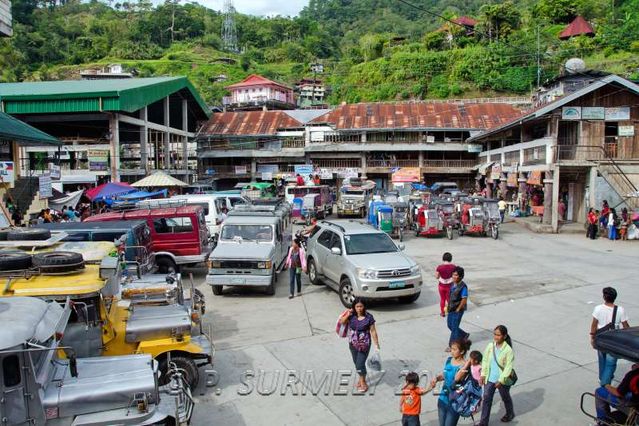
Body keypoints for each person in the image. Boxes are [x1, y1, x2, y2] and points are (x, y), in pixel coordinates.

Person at [590, 287, 630, 386]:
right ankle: (605, 383)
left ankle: (602, 380)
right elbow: (626, 326)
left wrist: (592, 337)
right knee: (610, 363)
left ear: (604, 297)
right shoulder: (620, 310)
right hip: (614, 340)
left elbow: (594, 324)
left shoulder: (598, 308)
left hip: (601, 338)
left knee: (602, 360)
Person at [339, 298, 380, 392]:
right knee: (356, 363)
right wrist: (348, 314)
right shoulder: (351, 315)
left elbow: (373, 331)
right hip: (352, 343)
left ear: (364, 306)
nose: (359, 308)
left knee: (360, 363)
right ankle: (362, 378)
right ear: (354, 307)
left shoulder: (369, 317)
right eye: (357, 306)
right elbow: (342, 322)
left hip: (364, 344)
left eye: (361, 306)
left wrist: (377, 344)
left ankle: (363, 382)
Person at [478, 325, 515, 425]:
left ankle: (510, 413)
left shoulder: (508, 350)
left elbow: (508, 367)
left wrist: (501, 380)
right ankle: (483, 422)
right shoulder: (491, 346)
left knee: (505, 397)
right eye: (495, 334)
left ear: (504, 336)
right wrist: (483, 374)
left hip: (501, 380)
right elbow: (485, 360)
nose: (495, 337)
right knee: (487, 399)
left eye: (498, 335)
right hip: (489, 379)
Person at [431, 339, 471, 426]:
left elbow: (456, 379)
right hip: (443, 398)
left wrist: (467, 364)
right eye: (451, 349)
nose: (451, 352)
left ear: (462, 351)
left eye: (454, 349)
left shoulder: (464, 366)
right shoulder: (449, 360)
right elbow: (445, 375)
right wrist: (437, 379)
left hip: (455, 402)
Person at [447, 266, 469, 351]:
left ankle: (452, 345)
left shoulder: (463, 287)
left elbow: (464, 299)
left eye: (456, 275)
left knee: (455, 328)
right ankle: (464, 335)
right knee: (450, 325)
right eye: (453, 275)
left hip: (458, 310)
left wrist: (458, 309)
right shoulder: (453, 284)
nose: (454, 277)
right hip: (451, 309)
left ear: (460, 276)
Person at [435, 252, 456, 317]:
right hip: (450, 286)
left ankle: (443, 313)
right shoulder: (454, 267)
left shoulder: (439, 267)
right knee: (449, 300)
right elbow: (455, 277)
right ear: (451, 259)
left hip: (441, 286)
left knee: (442, 299)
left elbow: (437, 277)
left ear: (443, 258)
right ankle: (450, 312)